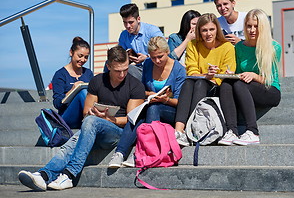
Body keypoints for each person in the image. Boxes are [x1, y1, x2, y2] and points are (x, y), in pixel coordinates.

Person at [18, 46, 145, 191]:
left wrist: (109, 119)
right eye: (117, 71)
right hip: (95, 128)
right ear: (108, 66)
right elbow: (86, 112)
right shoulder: (97, 81)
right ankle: (44, 176)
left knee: (87, 126)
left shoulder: (135, 86)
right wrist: (94, 114)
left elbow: (131, 120)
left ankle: (69, 174)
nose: (122, 74)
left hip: (119, 133)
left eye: (125, 69)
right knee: (74, 140)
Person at [108, 36, 186, 168]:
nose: (157, 60)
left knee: (153, 108)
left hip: (170, 110)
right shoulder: (149, 64)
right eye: (153, 57)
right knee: (137, 116)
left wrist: (165, 99)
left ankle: (143, 152)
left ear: (167, 51)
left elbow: (180, 102)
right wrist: (151, 94)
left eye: (160, 56)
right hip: (151, 105)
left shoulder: (178, 69)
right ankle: (120, 153)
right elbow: (142, 89)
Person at [218, 9, 282, 146]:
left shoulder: (274, 47)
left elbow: (271, 80)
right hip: (245, 89)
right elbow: (239, 73)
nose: (252, 30)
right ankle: (231, 131)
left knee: (239, 85)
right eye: (249, 26)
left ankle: (253, 132)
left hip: (269, 90)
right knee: (226, 83)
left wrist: (254, 76)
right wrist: (230, 74)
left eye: (256, 26)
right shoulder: (239, 47)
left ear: (263, 27)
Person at [173, 13, 236, 146]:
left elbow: (227, 74)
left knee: (199, 83)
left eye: (211, 29)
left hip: (217, 87)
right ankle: (178, 131)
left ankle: (191, 129)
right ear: (199, 32)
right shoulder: (193, 45)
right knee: (189, 83)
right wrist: (206, 75)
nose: (208, 34)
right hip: (198, 82)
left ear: (217, 30)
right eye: (204, 30)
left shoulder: (227, 47)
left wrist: (211, 77)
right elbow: (191, 70)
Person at [52, 37, 93, 129]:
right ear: (71, 52)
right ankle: (93, 121)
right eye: (80, 56)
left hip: (85, 115)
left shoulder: (88, 73)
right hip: (67, 117)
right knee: (82, 92)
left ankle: (93, 121)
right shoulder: (60, 74)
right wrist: (73, 90)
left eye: (86, 57)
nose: (83, 60)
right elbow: (57, 104)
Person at [116, 3, 164, 80]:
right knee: (110, 63)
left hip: (154, 69)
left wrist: (147, 57)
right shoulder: (124, 35)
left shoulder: (152, 31)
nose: (128, 26)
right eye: (125, 22)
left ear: (138, 19)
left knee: (130, 69)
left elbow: (164, 51)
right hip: (135, 69)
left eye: (131, 22)